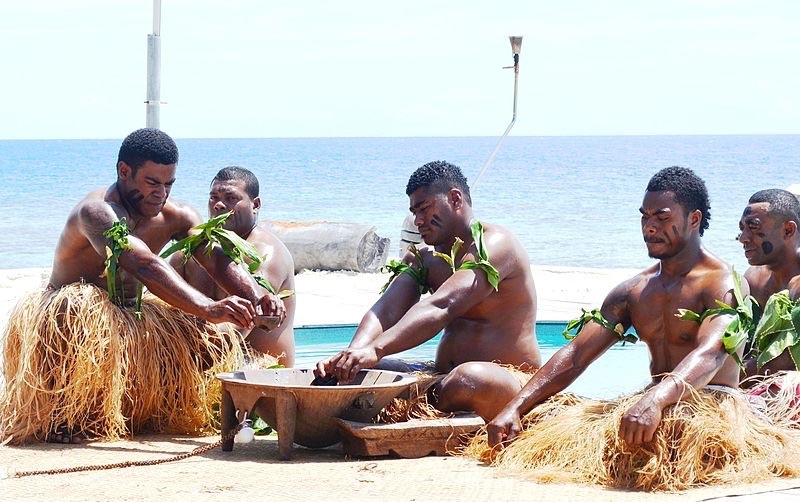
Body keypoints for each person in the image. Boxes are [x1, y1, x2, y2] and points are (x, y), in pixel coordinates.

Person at [465, 167, 800, 491]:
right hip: (649, 407)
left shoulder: (724, 283)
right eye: (645, 217)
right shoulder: (633, 290)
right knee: (555, 431)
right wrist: (516, 407)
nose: (649, 227)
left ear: (693, 219)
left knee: (675, 433)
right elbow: (576, 354)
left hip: (706, 411)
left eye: (662, 218)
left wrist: (656, 400)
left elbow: (711, 351)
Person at [0, 128, 285, 444]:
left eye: (169, 184)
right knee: (73, 310)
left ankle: (148, 408)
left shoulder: (177, 215)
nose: (161, 193)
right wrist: (209, 307)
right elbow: (144, 264)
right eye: (152, 183)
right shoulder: (97, 212)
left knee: (212, 341)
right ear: (124, 171)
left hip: (132, 315)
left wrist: (258, 296)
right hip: (71, 326)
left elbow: (215, 257)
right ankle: (67, 410)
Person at [315, 160, 541, 421]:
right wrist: (351, 358)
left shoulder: (495, 245)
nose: (418, 220)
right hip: (442, 378)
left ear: (455, 199)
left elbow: (443, 305)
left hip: (507, 381)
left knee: (470, 379)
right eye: (414, 211)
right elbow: (385, 311)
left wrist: (376, 350)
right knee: (365, 372)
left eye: (424, 208)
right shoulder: (424, 259)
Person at [171, 166, 296, 366]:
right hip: (201, 364)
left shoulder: (265, 254)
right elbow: (163, 297)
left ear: (255, 205)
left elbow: (244, 323)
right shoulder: (189, 252)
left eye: (230, 198)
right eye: (213, 198)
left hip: (259, 373)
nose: (219, 205)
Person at [738, 189, 800, 375]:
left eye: (754, 227)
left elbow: (784, 361)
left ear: (788, 230)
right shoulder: (753, 279)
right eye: (742, 228)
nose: (743, 238)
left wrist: (723, 373)